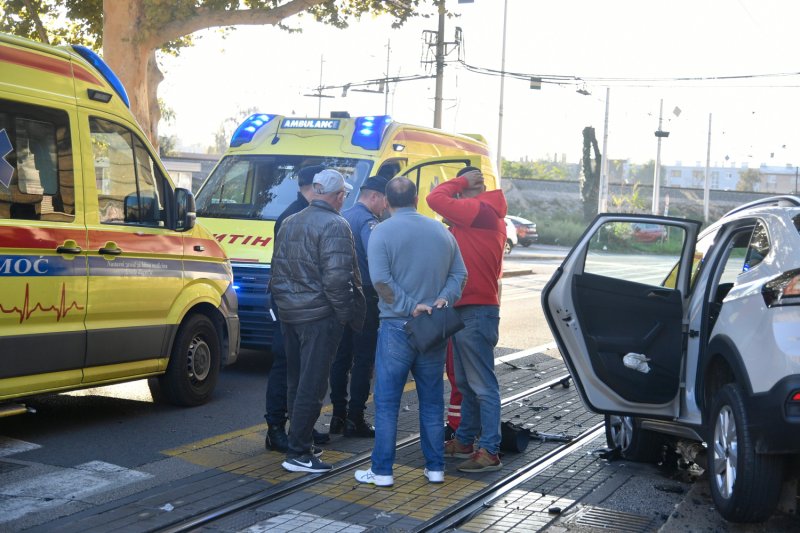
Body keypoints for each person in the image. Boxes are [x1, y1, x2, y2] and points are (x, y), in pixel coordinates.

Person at [355, 177, 467, 487]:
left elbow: (381, 281)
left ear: (387, 201)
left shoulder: (382, 232)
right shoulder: (441, 232)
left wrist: (410, 305)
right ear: (416, 199)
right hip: (432, 327)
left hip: (396, 326)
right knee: (432, 401)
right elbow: (460, 273)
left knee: (387, 402)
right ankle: (435, 469)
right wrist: (442, 300)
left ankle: (382, 472)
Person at [270, 169, 365, 473]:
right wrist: (344, 315)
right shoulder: (337, 225)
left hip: (290, 315)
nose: (343, 200)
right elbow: (338, 280)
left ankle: (299, 443)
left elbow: (278, 271)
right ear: (338, 195)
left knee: (296, 382)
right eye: (344, 196)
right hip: (319, 317)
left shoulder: (290, 221)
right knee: (313, 385)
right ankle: (298, 452)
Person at [427, 165, 507, 473]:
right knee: (465, 382)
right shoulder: (479, 214)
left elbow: (436, 198)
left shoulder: (483, 210)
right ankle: (464, 441)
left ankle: (489, 449)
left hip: (476, 309)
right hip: (466, 308)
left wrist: (459, 182)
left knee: (482, 384)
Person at [264, 164, 328, 453]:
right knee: (285, 366)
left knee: (301, 368)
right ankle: (275, 429)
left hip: (297, 303)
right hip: (290, 305)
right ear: (315, 186)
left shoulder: (304, 212)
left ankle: (300, 424)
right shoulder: (294, 215)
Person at [329, 175, 389, 438]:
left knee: (340, 358)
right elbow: (377, 259)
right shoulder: (368, 222)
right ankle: (356, 418)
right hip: (364, 297)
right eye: (384, 201)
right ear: (374, 196)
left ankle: (337, 417)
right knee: (363, 359)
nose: (385, 208)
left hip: (340, 295)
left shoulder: (342, 217)